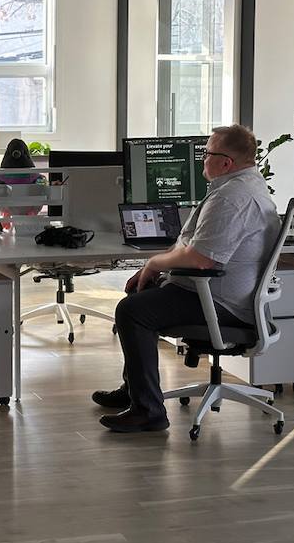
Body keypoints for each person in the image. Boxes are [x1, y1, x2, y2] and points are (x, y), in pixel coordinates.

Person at [93, 124, 281, 433]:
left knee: (133, 311)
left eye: (207, 154)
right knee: (139, 293)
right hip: (218, 292)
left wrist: (154, 262)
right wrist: (152, 270)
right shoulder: (240, 186)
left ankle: (149, 411)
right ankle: (135, 391)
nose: (202, 159)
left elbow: (201, 259)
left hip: (220, 302)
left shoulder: (232, 198)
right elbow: (189, 244)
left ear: (225, 163)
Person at [0, 138, 46, 223]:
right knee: (42, 188)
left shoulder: (1, 176)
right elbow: (42, 185)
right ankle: (32, 213)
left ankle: (6, 213)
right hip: (29, 206)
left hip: (8, 207)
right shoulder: (35, 175)